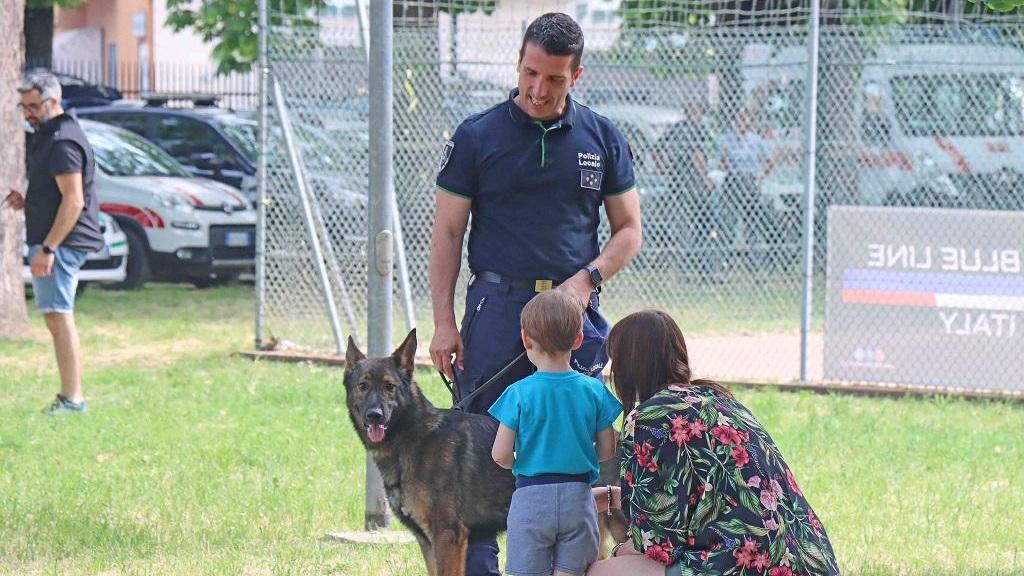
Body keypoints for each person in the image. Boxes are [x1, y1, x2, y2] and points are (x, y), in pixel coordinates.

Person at [429, 13, 641, 575]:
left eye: (554, 79)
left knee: (582, 447)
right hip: (496, 308)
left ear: (577, 76)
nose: (538, 89)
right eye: (530, 73)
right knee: (480, 451)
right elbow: (447, 233)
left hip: (573, 311)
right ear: (519, 63)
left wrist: (586, 281)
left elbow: (629, 231)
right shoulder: (477, 136)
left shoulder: (602, 138)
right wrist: (444, 323)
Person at [587, 310, 841, 576]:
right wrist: (612, 497)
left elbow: (659, 545)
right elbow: (701, 496)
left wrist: (618, 551)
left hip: (747, 565)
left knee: (600, 572)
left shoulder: (650, 418)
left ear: (630, 365)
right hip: (808, 562)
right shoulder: (719, 399)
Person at [488, 290, 622, 576]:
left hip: (531, 500)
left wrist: (525, 461)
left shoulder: (518, 393)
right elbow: (607, 450)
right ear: (579, 339)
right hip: (579, 499)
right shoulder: (594, 390)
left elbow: (500, 455)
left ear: (526, 339)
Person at [2, 72, 104, 414]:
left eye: (34, 106)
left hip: (61, 243)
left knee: (59, 316)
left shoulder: (62, 142)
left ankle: (73, 399)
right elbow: (57, 194)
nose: (28, 113)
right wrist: (28, 202)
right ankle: (70, 397)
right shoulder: (51, 135)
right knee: (55, 317)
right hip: (56, 240)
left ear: (54, 101)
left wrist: (49, 248)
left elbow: (74, 200)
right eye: (24, 107)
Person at [653, 100, 719, 276]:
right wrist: (706, 179)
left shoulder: (676, 128)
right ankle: (701, 265)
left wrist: (664, 169)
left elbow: (655, 149)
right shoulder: (696, 129)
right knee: (704, 221)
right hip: (692, 182)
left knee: (682, 223)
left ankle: (685, 265)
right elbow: (696, 155)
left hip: (676, 180)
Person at [718, 110, 773, 255]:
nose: (741, 123)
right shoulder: (726, 139)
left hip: (750, 180)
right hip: (733, 180)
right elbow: (721, 165)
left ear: (749, 122)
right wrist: (724, 159)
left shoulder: (756, 140)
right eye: (738, 119)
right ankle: (725, 250)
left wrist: (761, 176)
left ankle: (753, 251)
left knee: (752, 216)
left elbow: (769, 161)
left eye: (744, 119)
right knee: (729, 217)